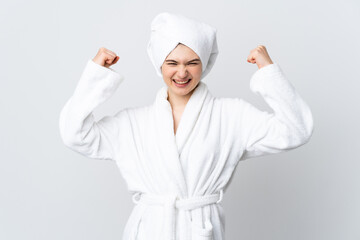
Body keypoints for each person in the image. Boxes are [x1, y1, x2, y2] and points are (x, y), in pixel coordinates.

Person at [59, 12, 314, 240]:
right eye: (172, 63)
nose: (182, 73)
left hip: (200, 230)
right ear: (160, 65)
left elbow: (296, 130)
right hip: (149, 231)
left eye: (192, 63)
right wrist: (94, 77)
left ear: (204, 65)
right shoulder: (132, 123)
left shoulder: (231, 115)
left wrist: (268, 71)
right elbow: (75, 134)